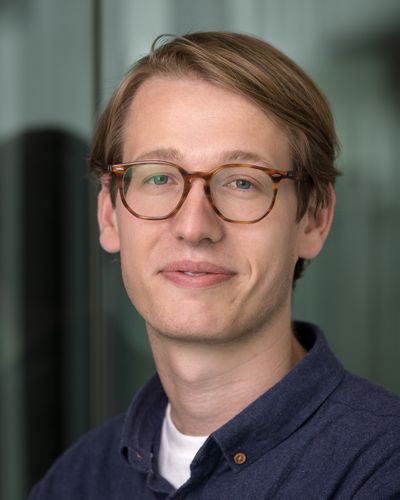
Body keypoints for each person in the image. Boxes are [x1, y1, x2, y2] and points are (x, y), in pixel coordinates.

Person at [30, 31, 400, 499]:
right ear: (109, 214)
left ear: (314, 218)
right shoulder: (77, 480)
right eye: (159, 178)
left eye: (242, 182)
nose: (194, 226)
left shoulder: (382, 470)